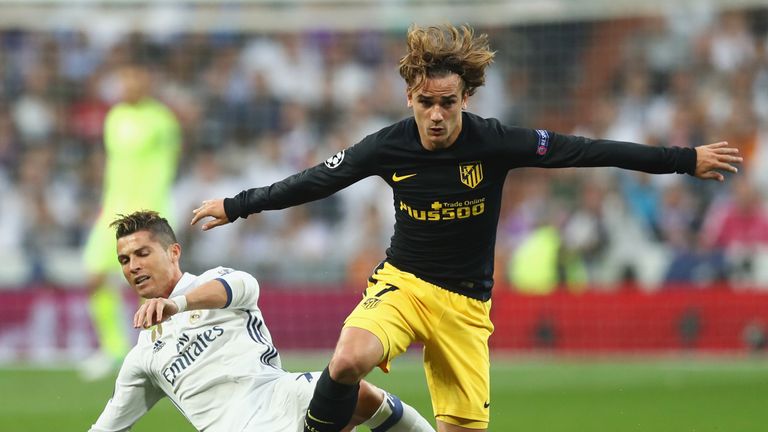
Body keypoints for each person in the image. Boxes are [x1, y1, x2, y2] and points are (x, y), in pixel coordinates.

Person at [189, 24, 743, 432]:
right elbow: (314, 181)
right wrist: (237, 205)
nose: (435, 114)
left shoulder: (495, 140)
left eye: (446, 104)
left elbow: (585, 149)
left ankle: (386, 418)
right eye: (425, 103)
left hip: (467, 305)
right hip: (402, 283)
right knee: (347, 358)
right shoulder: (387, 144)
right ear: (410, 98)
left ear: (466, 99)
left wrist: (682, 158)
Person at [89, 210, 434, 432]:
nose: (132, 265)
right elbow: (106, 427)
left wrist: (176, 304)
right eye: (124, 259)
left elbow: (243, 286)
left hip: (281, 394)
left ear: (173, 252)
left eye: (142, 253)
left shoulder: (217, 281)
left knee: (357, 392)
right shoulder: (142, 358)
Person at [80, 63, 181, 380]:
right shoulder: (115, 117)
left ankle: (156, 349)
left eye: (133, 80)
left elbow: (169, 164)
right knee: (94, 277)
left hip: (147, 213)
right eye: (122, 80)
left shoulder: (162, 120)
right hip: (112, 211)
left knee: (149, 285)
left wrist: (157, 215)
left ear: (146, 83)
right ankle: (113, 349)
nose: (125, 86)